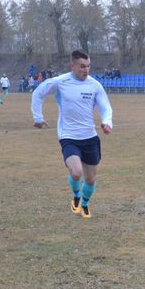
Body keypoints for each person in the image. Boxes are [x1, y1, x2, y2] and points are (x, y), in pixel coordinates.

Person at [31, 50, 113, 219]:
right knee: (76, 172)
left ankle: (84, 204)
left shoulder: (94, 85)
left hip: (90, 137)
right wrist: (38, 118)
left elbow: (105, 106)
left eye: (88, 66)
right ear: (72, 66)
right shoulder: (61, 82)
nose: (86, 70)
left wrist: (107, 121)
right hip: (68, 136)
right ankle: (76, 196)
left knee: (90, 179)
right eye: (82, 66)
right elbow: (38, 92)